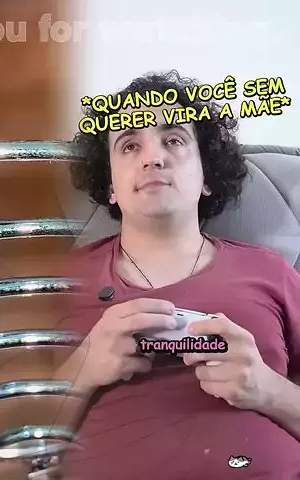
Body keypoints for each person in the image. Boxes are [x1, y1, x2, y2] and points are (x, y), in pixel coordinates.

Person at [55, 70, 300, 479]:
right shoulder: (56, 284)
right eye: (129, 145)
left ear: (206, 177)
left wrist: (267, 389)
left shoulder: (271, 272)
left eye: (173, 140)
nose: (153, 158)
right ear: (110, 185)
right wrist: (82, 369)